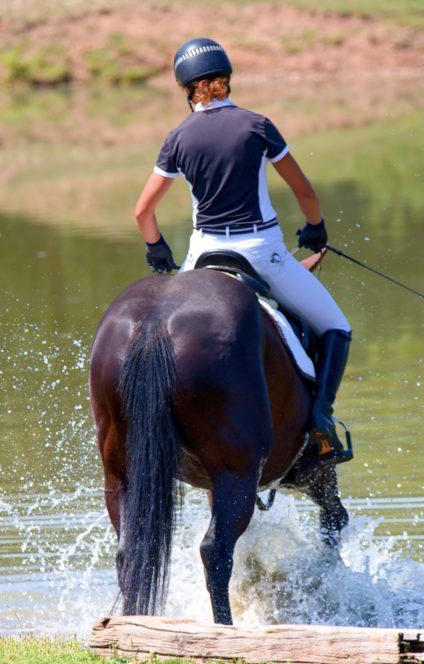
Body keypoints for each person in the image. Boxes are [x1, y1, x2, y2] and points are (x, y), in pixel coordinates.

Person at [132, 37, 352, 464]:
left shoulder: (177, 138)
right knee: (336, 327)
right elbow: (305, 193)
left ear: (186, 88)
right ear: (227, 79)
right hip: (261, 252)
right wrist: (315, 228)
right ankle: (321, 422)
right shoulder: (258, 126)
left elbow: (143, 212)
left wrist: (156, 248)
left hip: (203, 256)